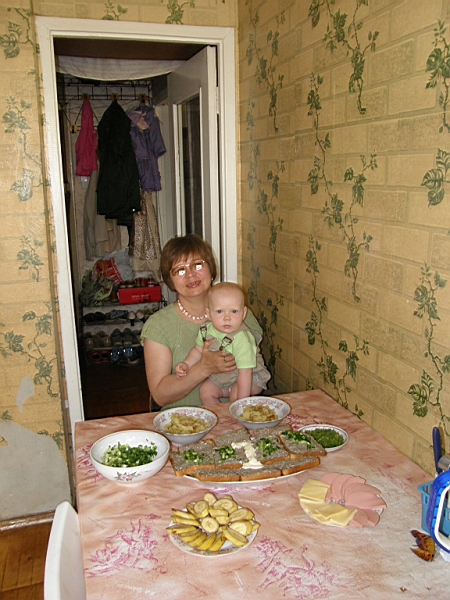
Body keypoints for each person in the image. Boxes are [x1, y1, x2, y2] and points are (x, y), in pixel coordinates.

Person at [140, 234, 263, 409]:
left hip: (234, 415)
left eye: (197, 265)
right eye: (180, 270)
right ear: (170, 281)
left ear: (211, 269)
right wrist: (204, 368)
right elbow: (160, 396)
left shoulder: (240, 314)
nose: (190, 275)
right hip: (182, 420)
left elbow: (255, 373)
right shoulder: (158, 326)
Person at [175, 282, 271, 405]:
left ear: (244, 313)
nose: (227, 318)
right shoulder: (206, 330)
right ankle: (217, 415)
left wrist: (241, 404)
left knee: (237, 394)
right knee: (206, 391)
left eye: (234, 311)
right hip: (225, 378)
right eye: (220, 311)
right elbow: (198, 351)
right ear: (209, 314)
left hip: (252, 378)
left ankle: (238, 413)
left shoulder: (242, 338)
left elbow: (246, 373)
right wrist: (186, 364)